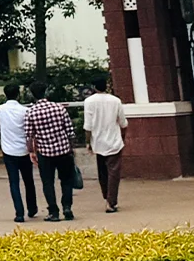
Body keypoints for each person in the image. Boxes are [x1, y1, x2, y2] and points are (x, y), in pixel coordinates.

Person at [23, 82, 77, 221]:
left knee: (48, 183)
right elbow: (70, 130)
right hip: (64, 150)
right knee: (66, 180)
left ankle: (53, 211)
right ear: (46, 92)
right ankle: (67, 207)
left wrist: (31, 152)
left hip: (45, 153)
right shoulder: (59, 108)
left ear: (32, 94)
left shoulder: (31, 112)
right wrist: (71, 148)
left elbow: (29, 135)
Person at [0, 84, 37, 223]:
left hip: (9, 151)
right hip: (24, 150)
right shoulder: (25, 110)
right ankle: (32, 208)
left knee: (14, 182)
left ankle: (19, 213)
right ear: (18, 95)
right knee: (29, 180)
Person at [83, 77, 128, 212]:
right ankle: (111, 201)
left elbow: (88, 126)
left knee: (102, 172)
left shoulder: (89, 102)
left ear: (94, 87)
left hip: (98, 142)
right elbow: (123, 123)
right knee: (113, 173)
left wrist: (88, 142)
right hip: (114, 141)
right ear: (107, 86)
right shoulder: (116, 101)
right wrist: (122, 137)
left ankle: (106, 196)